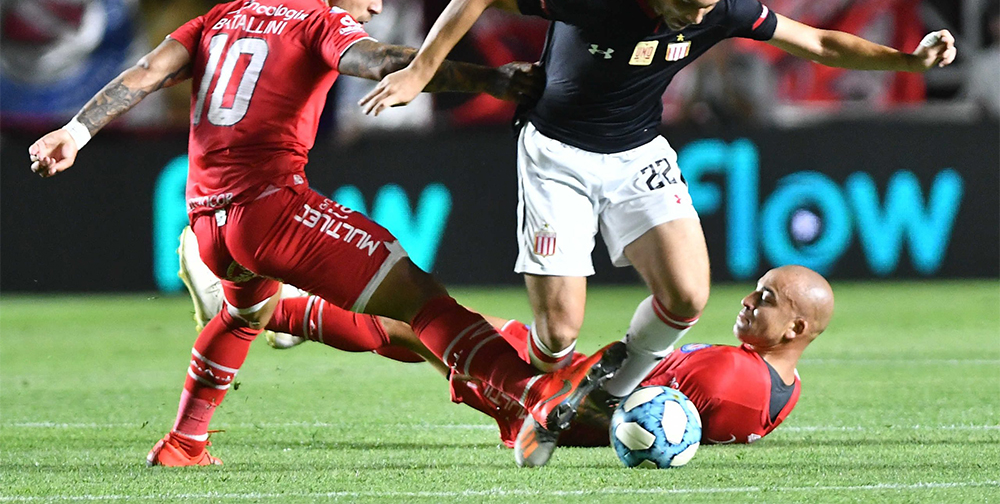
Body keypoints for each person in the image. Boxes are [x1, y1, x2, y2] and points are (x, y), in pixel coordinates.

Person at [28, 0, 627, 468]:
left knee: (243, 316)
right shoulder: (318, 17)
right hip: (272, 210)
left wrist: (74, 132)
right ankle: (535, 393)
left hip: (208, 221)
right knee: (421, 301)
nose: (376, 4)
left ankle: (184, 442)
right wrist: (487, 78)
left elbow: (145, 74)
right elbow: (379, 59)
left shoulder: (223, 15)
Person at [357, 0, 956, 466]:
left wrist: (907, 62)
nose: (693, 18)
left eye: (705, 7)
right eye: (684, 1)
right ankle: (540, 394)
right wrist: (420, 71)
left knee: (687, 295)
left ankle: (605, 395)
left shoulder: (726, 7)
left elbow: (820, 43)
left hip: (638, 154)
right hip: (557, 154)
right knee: (557, 335)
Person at [176, 237, 831, 450]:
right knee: (420, 330)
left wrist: (543, 407)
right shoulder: (780, 387)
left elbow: (640, 424)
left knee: (418, 320)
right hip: (564, 389)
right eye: (757, 290)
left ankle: (263, 310)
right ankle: (281, 317)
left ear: (797, 329)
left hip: (551, 396)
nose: (749, 300)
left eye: (766, 299)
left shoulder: (732, 378)